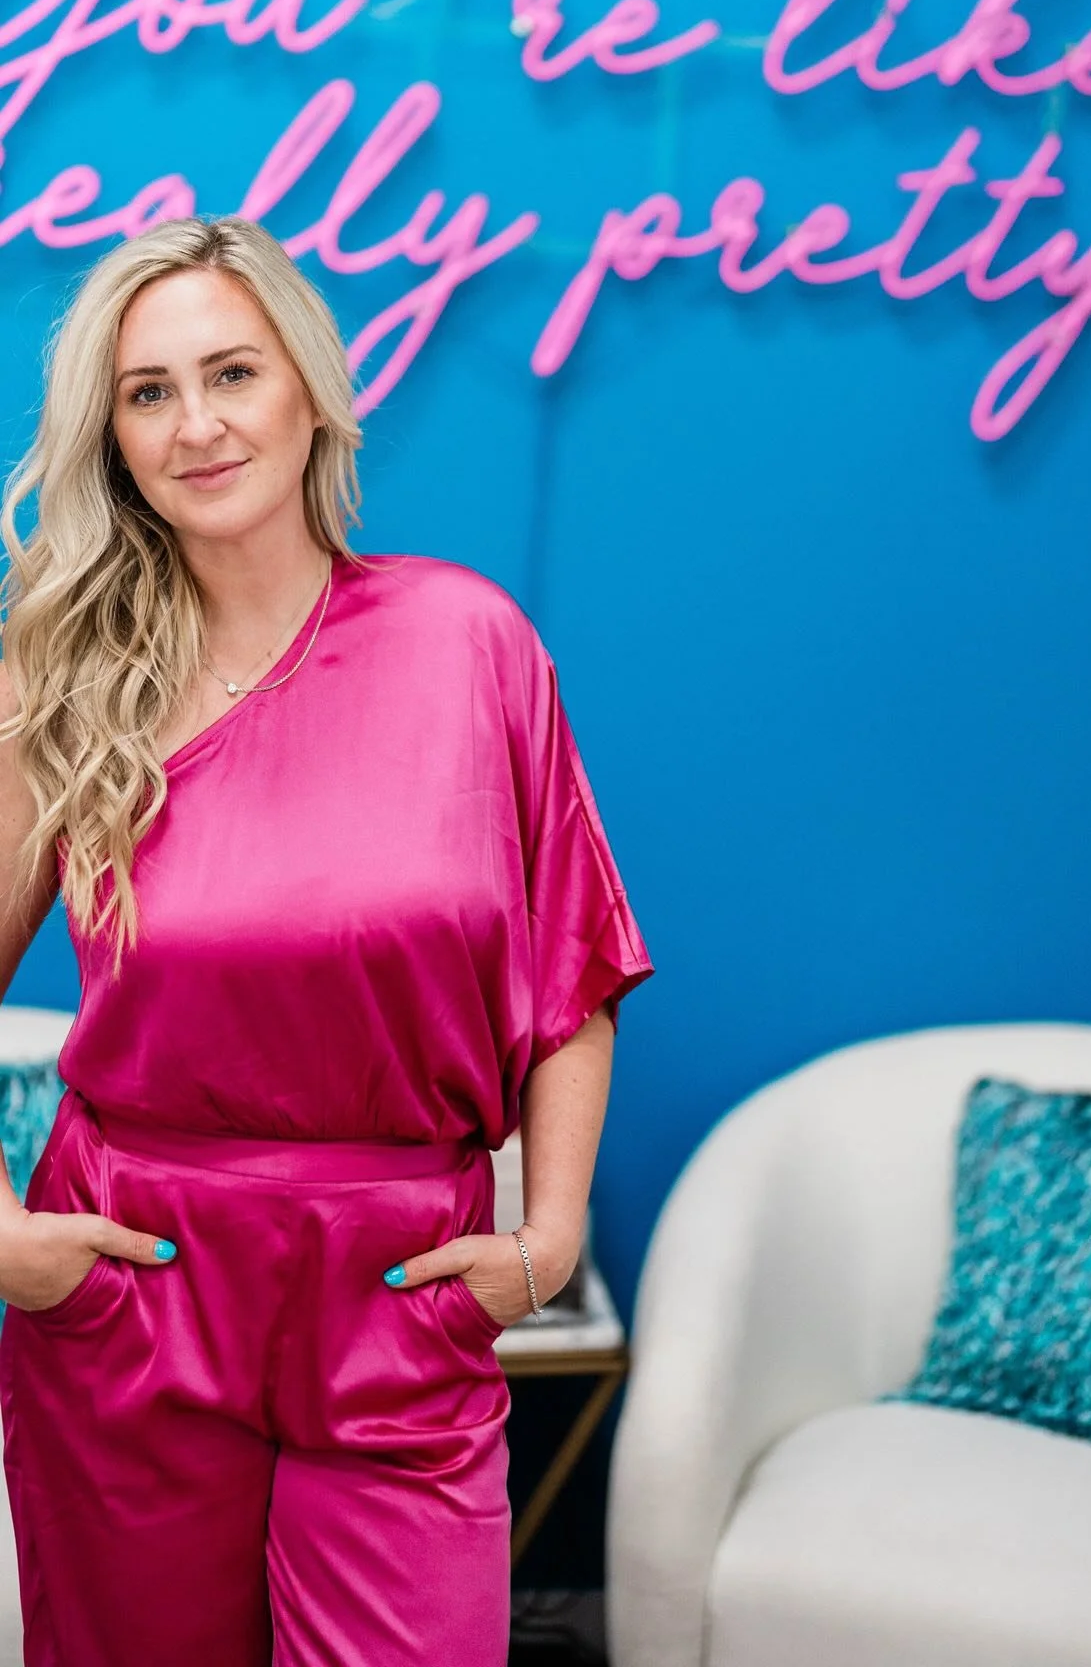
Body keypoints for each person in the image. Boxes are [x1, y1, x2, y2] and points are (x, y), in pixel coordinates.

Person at [0, 215, 654, 1667]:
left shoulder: (466, 641)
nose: (198, 424)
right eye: (149, 391)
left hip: (397, 1293)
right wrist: (9, 1242)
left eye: (232, 372)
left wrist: (545, 1241)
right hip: (139, 1290)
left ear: (310, 390)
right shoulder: (71, 682)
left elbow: (574, 966)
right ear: (112, 437)